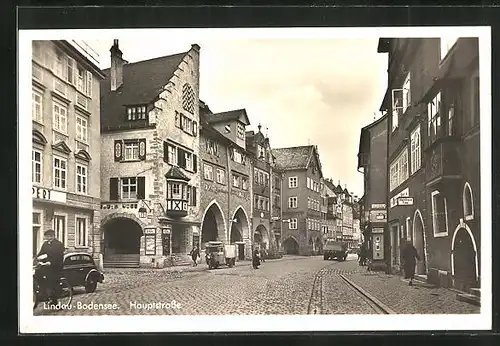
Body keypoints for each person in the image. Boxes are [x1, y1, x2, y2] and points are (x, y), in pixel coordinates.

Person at [36, 229, 65, 305]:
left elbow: (59, 257)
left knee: (52, 281)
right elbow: (41, 253)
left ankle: (54, 300)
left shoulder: (59, 244)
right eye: (47, 236)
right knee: (37, 274)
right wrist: (36, 258)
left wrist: (51, 262)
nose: (48, 238)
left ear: (53, 236)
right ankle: (43, 293)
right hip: (46, 265)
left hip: (56, 267)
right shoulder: (45, 244)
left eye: (50, 236)